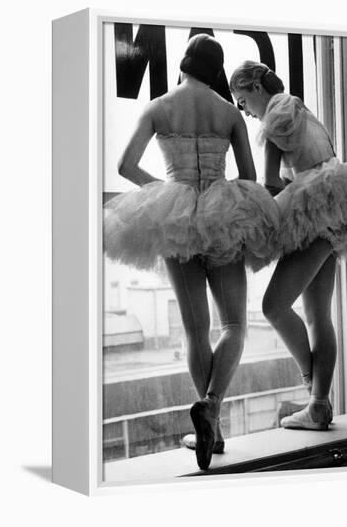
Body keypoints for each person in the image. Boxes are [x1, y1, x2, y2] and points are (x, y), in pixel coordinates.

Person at [104, 38, 280, 469]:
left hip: (176, 215)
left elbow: (125, 166)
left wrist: (168, 194)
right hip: (222, 214)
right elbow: (251, 175)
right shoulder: (225, 111)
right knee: (235, 324)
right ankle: (213, 407)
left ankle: (212, 430)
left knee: (194, 330)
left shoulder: (159, 107)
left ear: (183, 65)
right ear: (216, 69)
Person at [230, 60, 347, 430]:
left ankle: (311, 384)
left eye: (243, 102)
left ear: (256, 89)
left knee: (273, 306)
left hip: (315, 212)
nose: (246, 112)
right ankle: (318, 406)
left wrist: (243, 201)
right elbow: (320, 161)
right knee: (318, 315)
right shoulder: (301, 108)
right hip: (338, 207)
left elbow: (272, 181)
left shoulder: (275, 116)